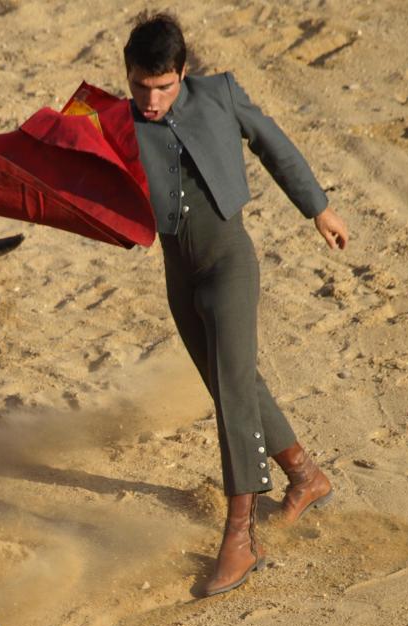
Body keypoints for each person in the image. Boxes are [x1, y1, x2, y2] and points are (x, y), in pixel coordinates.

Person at [123, 11, 348, 596]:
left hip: (229, 265)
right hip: (179, 275)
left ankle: (240, 537)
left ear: (182, 72)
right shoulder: (110, 119)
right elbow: (61, 159)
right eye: (140, 86)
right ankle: (306, 476)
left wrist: (318, 208)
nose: (151, 100)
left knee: (230, 394)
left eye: (163, 87)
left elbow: (275, 145)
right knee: (236, 381)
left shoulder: (218, 93)